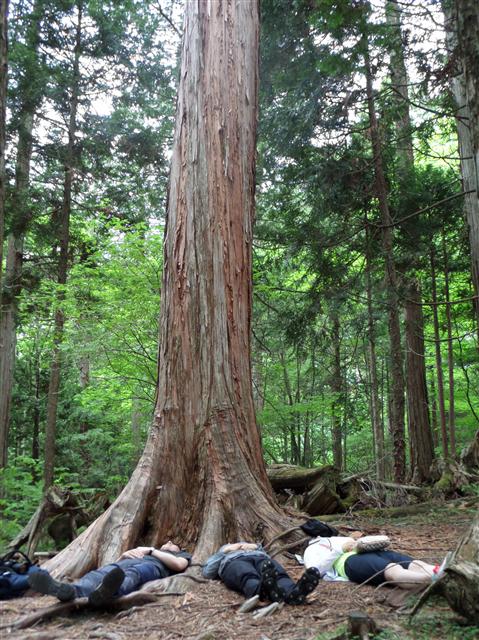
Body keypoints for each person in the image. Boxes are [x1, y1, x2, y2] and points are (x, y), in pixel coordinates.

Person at [28, 541, 191, 607]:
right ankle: (68, 590)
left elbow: (179, 565)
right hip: (123, 562)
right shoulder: (148, 550)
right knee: (99, 574)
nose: (169, 542)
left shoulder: (179, 555)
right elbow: (118, 564)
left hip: (149, 567)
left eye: (173, 543)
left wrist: (151, 550)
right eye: (166, 541)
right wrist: (124, 555)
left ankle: (107, 593)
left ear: (179, 549)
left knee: (132, 575)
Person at [303, 535, 445, 590]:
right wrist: (339, 550)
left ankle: (441, 570)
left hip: (368, 551)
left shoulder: (333, 537)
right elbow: (316, 571)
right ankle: (430, 579)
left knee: (411, 563)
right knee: (391, 570)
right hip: (349, 562)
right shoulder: (310, 550)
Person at [203, 541, 320, 605]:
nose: (240, 544)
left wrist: (256, 547)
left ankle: (293, 592)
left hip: (260, 557)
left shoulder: (256, 549)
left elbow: (266, 557)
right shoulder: (224, 553)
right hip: (234, 561)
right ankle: (260, 590)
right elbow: (208, 572)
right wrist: (225, 551)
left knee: (274, 571)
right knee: (246, 573)